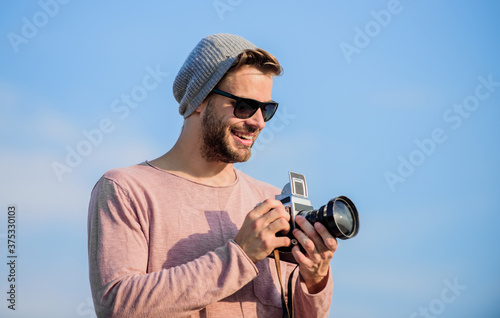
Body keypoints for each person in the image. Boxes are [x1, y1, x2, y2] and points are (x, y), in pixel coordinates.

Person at [87, 33, 337, 317]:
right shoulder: (126, 189)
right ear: (199, 100)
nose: (257, 122)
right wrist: (240, 256)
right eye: (244, 106)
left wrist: (316, 280)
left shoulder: (271, 201)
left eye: (266, 110)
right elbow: (117, 305)